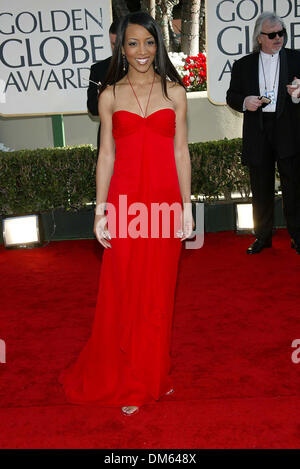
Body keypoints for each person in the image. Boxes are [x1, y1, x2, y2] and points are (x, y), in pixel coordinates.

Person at [59, 11, 194, 416]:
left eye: (149, 43)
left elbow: (181, 151)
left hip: (165, 204)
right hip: (127, 205)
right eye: (133, 43)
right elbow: (105, 156)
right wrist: (100, 212)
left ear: (159, 46)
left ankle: (152, 373)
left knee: (158, 293)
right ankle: (131, 376)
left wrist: (187, 208)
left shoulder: (176, 92)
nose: (141, 51)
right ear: (121, 46)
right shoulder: (110, 95)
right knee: (126, 291)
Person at [226, 12, 300, 254]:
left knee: (294, 185)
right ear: (259, 38)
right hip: (258, 129)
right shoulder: (243, 65)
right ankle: (263, 237)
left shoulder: (297, 59)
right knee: (260, 186)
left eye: (281, 33)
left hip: (288, 128)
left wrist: (298, 95)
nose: (278, 38)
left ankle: (297, 236)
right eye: (272, 34)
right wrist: (245, 100)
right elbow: (232, 96)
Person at [87, 20, 119, 152]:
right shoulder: (99, 69)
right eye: (113, 44)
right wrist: (102, 97)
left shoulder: (145, 68)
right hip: (109, 140)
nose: (116, 48)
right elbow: (93, 109)